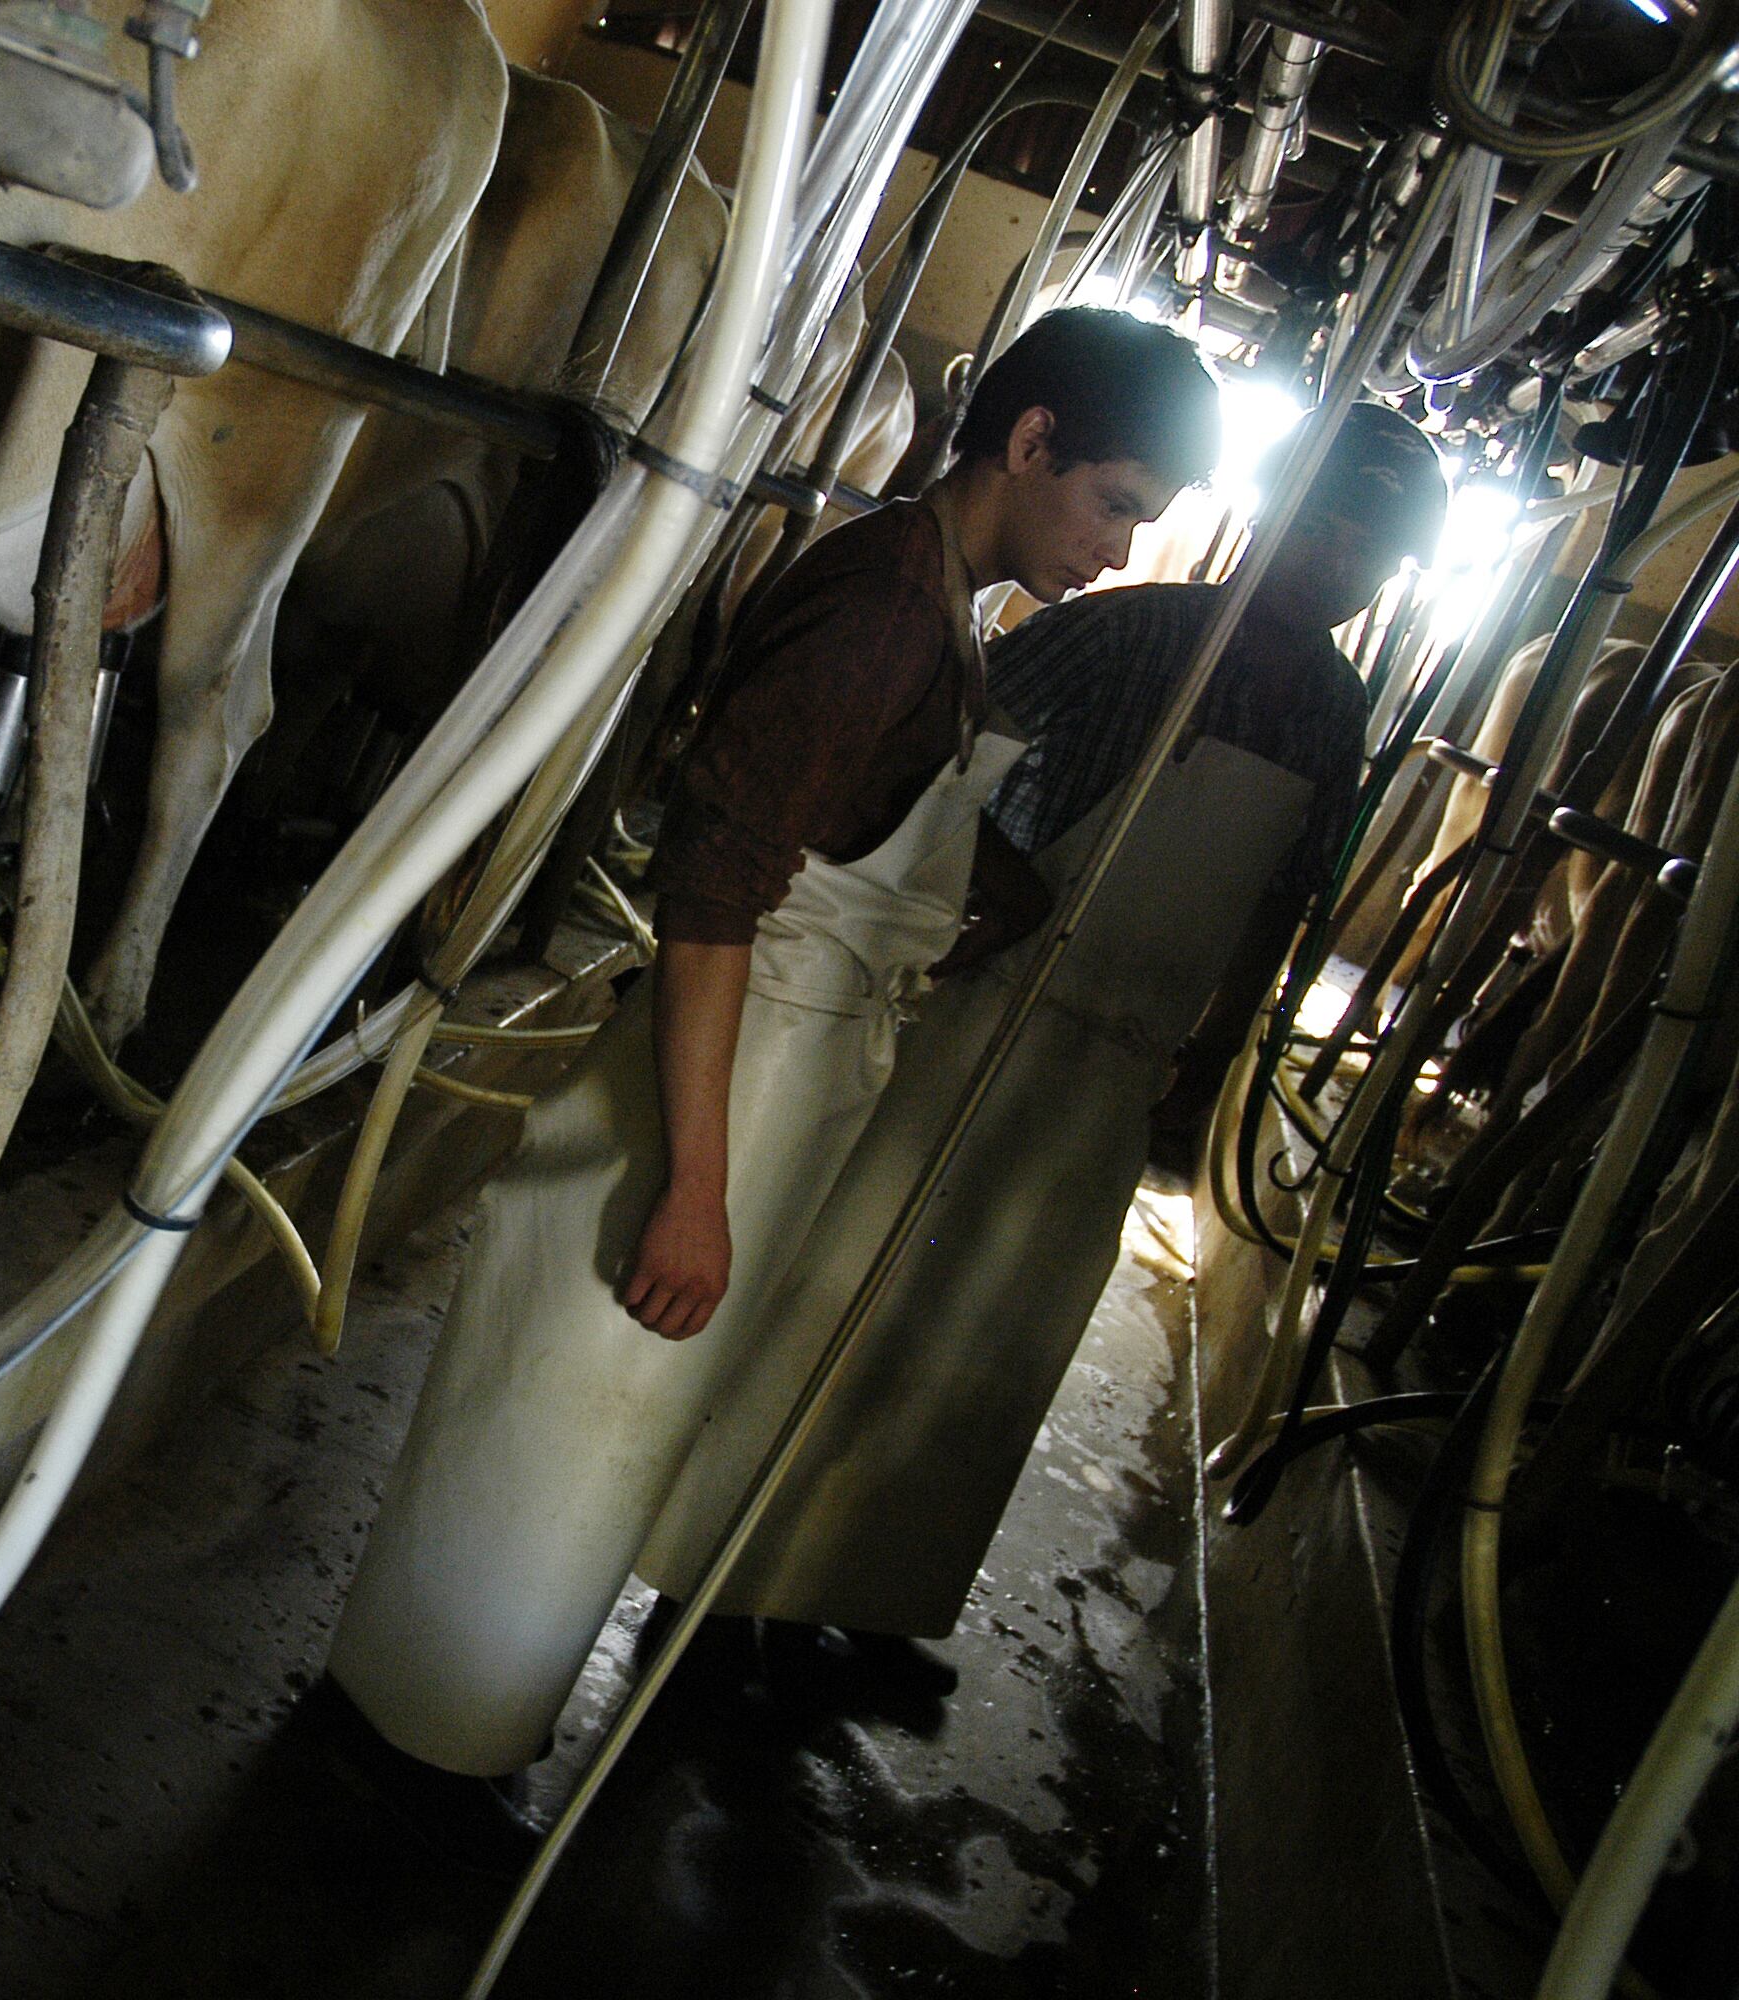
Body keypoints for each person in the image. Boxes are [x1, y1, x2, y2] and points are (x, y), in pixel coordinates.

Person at [318, 308, 1223, 1812]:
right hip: (711, 1092)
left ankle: (452, 1731)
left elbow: (838, 826)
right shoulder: (879, 608)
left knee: (593, 1448)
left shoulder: (937, 607)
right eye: (1115, 503)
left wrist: (969, 881)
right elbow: (714, 890)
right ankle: (396, 1747)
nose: (1121, 553)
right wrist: (694, 1184)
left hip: (768, 1082)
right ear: (1032, 442)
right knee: (550, 1434)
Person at [623, 402, 1448, 1644]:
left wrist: (1217, 1049)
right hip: (977, 1011)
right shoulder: (1121, 634)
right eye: (1325, 529)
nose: (1336, 566)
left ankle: (863, 1600)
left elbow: (1285, 897)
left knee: (986, 1341)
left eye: (1367, 555)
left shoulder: (1337, 721)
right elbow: (931, 765)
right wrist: (990, 870)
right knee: (850, 1294)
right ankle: (715, 1596)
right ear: (1272, 517)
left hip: (1111, 1056)